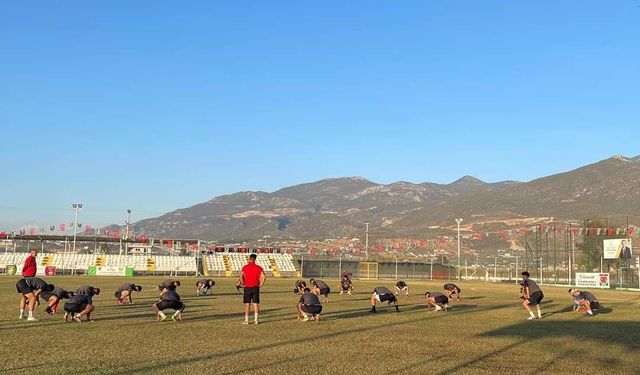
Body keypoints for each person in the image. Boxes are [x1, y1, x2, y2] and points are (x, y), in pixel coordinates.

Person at [240, 253, 266, 325]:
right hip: (255, 287)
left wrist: (242, 283)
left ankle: (246, 320)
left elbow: (241, 276)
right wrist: (260, 284)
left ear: (249, 259)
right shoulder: (259, 267)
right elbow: (264, 276)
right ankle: (256, 320)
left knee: (247, 304)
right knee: (255, 304)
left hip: (247, 287)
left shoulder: (245, 267)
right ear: (255, 259)